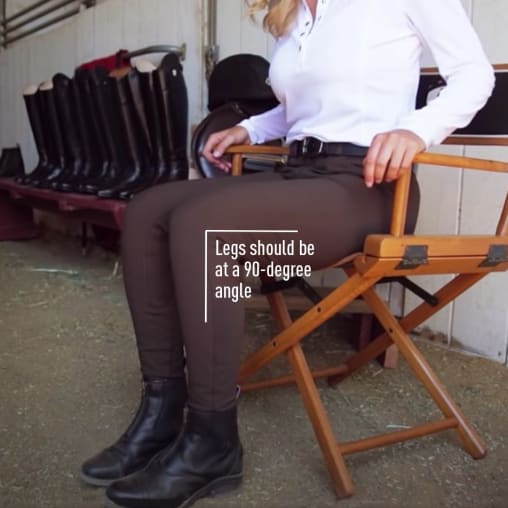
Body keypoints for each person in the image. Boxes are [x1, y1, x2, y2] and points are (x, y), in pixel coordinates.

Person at [80, 1, 495, 507]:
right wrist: (249, 130)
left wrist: (416, 131)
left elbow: (474, 75)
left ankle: (212, 441)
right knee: (147, 211)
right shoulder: (294, 15)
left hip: (368, 187)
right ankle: (163, 411)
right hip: (301, 176)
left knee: (205, 227)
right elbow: (304, 109)